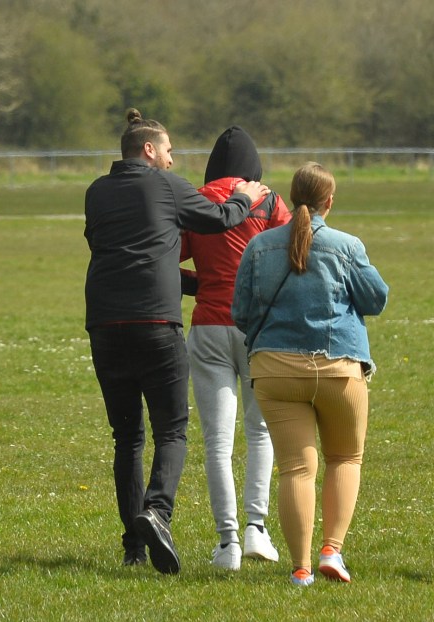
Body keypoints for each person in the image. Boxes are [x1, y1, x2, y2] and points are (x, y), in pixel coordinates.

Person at [84, 109, 269, 574]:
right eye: (167, 150)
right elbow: (221, 218)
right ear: (149, 150)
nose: (172, 159)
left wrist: (200, 285)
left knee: (126, 437)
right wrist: (245, 196)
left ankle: (133, 547)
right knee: (171, 430)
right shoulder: (167, 186)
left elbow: (133, 255)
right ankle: (158, 513)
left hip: (105, 326)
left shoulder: (96, 193)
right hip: (155, 325)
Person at [232, 162, 389, 586]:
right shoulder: (347, 245)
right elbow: (376, 299)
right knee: (344, 458)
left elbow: (241, 314)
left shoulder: (259, 247)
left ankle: (300, 568)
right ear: (329, 202)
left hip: (275, 372)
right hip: (339, 368)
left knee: (296, 469)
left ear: (289, 196)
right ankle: (331, 552)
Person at [180, 126, 290, 570]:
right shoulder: (269, 200)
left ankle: (226, 545)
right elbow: (293, 254)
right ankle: (255, 530)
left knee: (216, 442)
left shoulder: (196, 200)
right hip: (259, 328)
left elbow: (169, 258)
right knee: (260, 431)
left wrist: (202, 284)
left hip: (207, 326)